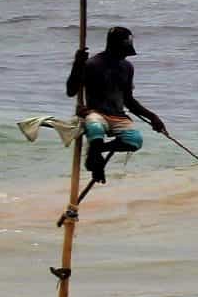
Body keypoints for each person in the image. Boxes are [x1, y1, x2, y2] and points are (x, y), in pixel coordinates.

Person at [66, 26, 166, 184]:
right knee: (95, 127)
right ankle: (97, 161)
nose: (125, 54)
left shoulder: (127, 67)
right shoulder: (92, 64)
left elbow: (129, 101)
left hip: (117, 116)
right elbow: (71, 91)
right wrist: (77, 64)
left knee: (135, 140)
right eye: (122, 50)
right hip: (96, 114)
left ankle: (95, 152)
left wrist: (153, 117)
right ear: (112, 46)